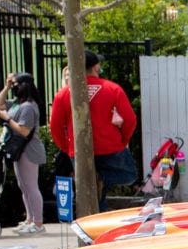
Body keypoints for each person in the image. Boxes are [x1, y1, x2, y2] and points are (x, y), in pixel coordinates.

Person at [50, 50, 138, 211]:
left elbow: (55, 127)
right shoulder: (112, 89)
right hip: (110, 146)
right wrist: (122, 140)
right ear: (96, 67)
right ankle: (102, 179)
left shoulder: (63, 94)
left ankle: (96, 222)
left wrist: (68, 148)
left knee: (94, 193)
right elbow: (129, 120)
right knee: (130, 175)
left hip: (78, 150)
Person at [0, 72, 46, 234]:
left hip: (29, 150)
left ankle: (38, 223)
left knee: (31, 186)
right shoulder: (17, 103)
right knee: (24, 186)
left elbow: (24, 131)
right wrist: (7, 86)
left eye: (16, 85)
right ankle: (30, 219)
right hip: (18, 150)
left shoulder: (29, 107)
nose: (15, 88)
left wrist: (7, 119)